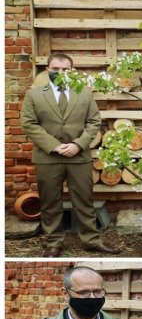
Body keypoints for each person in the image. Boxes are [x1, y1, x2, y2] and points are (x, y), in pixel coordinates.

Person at [20, 53, 119, 257]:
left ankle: (91, 240)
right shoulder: (35, 94)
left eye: (65, 70)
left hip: (78, 156)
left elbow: (93, 122)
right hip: (48, 157)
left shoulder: (84, 93)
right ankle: (53, 242)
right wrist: (55, 146)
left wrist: (78, 144)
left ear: (72, 71)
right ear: (48, 70)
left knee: (84, 199)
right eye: (56, 69)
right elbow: (28, 123)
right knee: (49, 201)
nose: (60, 73)